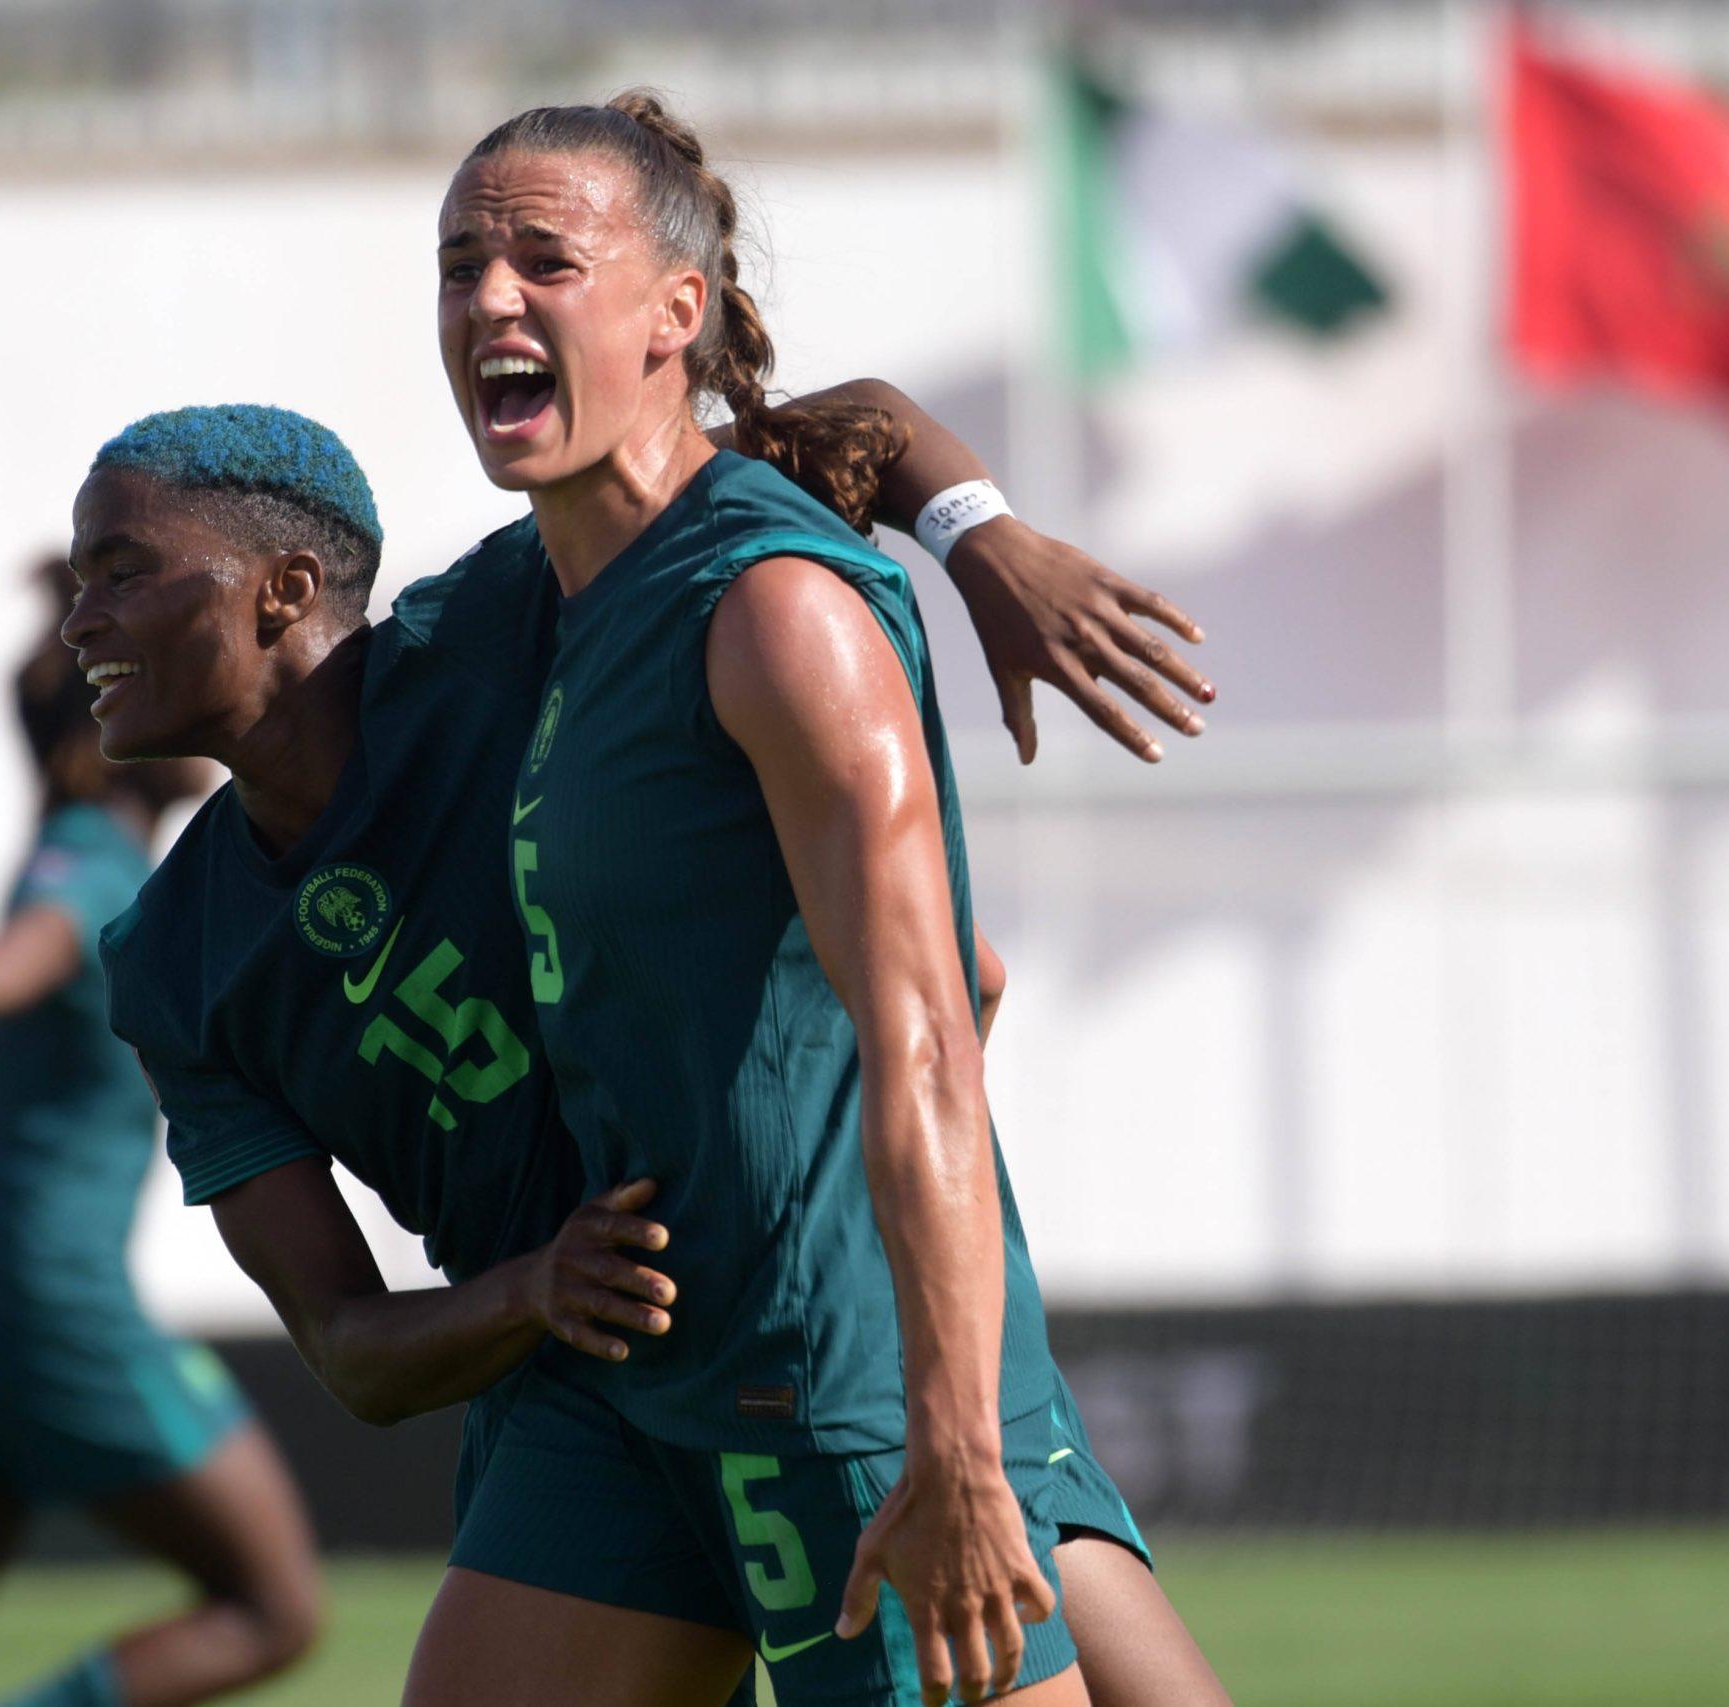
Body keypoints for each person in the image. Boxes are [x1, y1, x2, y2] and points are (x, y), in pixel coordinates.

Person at [81, 391, 1215, 1703]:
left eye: (122, 572)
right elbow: (348, 1343)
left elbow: (853, 429)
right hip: (582, 1387)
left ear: (283, 590)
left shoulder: (508, 618)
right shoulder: (169, 960)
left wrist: (983, 542)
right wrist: (536, 1288)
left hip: (812, 1319)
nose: (80, 621)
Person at [421, 92, 1234, 1707]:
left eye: (543, 262)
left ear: (676, 313)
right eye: (459, 267)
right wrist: (972, 527)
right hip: (638, 1361)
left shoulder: (773, 609)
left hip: (826, 1381)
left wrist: (953, 1447)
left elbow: (929, 1032)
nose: (491, 299)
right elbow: (860, 420)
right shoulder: (543, 593)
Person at [0, 570, 321, 1707]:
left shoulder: (101, 853)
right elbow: (31, 949)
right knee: (275, 1610)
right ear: (108, 725)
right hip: (43, 1293)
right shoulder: (90, 850)